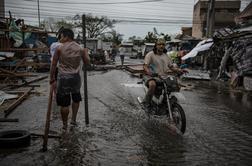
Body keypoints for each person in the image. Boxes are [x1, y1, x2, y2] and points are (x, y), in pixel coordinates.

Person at [49, 28, 90, 131]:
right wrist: (86, 53)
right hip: (76, 77)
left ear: (67, 36)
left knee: (64, 102)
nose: (61, 38)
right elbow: (87, 64)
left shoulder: (59, 48)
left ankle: (65, 125)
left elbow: (53, 65)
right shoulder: (80, 48)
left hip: (63, 77)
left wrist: (52, 78)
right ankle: (73, 120)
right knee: (76, 98)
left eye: (62, 36)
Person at [143, 38, 187, 111]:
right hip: (151, 76)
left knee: (176, 84)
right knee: (152, 85)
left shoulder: (166, 56)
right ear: (156, 46)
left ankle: (165, 103)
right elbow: (145, 66)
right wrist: (149, 72)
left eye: (163, 44)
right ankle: (146, 103)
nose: (161, 46)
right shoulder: (150, 54)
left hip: (163, 76)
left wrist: (180, 70)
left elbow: (171, 67)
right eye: (159, 44)